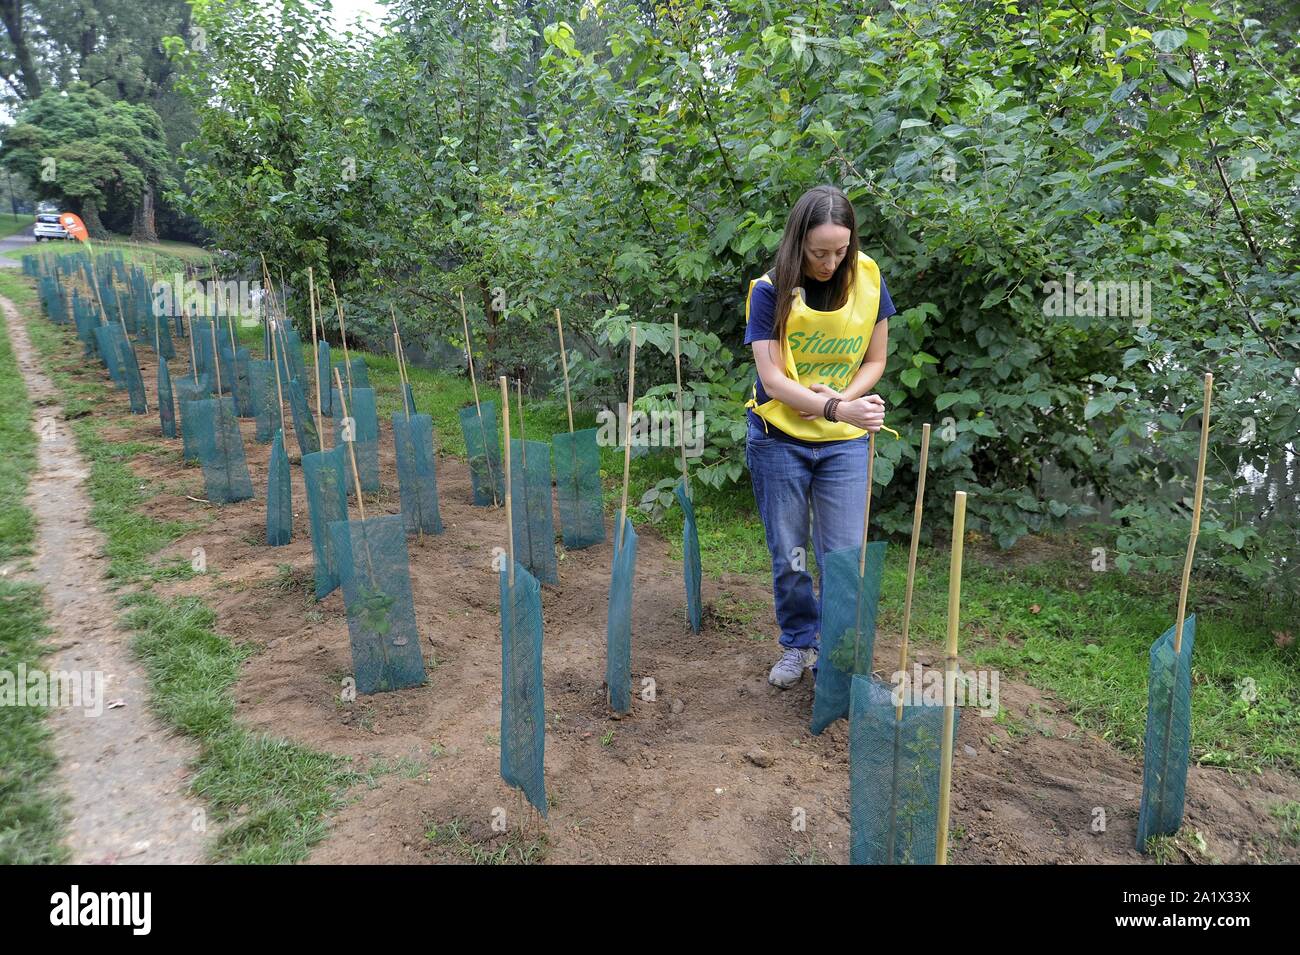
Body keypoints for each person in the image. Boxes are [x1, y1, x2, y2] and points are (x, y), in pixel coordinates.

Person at [743, 184, 896, 688]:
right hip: (779, 437)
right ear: (797, 244)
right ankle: (798, 644)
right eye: (818, 252)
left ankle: (839, 659)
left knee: (844, 557)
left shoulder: (869, 281)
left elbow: (875, 360)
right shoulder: (769, 291)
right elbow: (773, 381)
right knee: (790, 552)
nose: (831, 262)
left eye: (840, 250)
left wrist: (848, 405)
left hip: (844, 443)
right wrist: (839, 407)